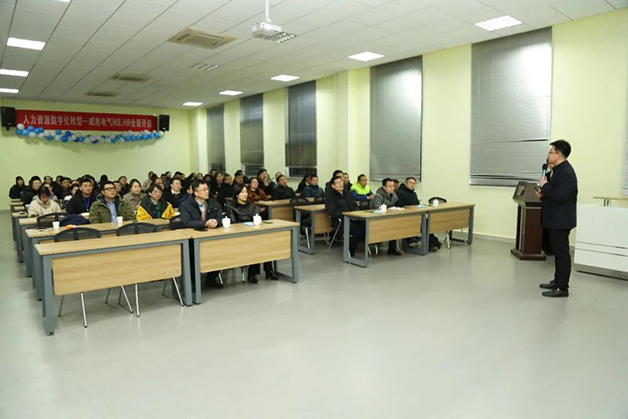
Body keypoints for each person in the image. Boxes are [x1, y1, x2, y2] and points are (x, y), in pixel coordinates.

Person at [536, 140, 578, 298]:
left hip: (561, 220)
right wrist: (543, 194)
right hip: (555, 219)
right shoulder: (558, 170)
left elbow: (560, 196)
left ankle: (562, 287)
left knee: (562, 254)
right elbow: (554, 193)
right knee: (558, 253)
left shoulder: (566, 172)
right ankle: (557, 281)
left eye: (550, 152)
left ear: (558, 155)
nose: (548, 155)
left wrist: (545, 186)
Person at [227, 184, 278, 282]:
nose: (245, 194)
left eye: (246, 192)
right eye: (242, 192)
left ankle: (269, 271)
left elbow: (255, 217)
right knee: (255, 245)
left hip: (252, 232)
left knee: (265, 244)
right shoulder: (231, 206)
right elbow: (233, 222)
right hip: (238, 235)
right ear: (237, 194)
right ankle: (252, 273)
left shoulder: (251, 205)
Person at [179, 180, 223, 288]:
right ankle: (193, 282)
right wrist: (205, 224)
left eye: (207, 189)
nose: (207, 192)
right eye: (204, 190)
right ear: (196, 192)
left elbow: (220, 217)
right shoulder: (186, 205)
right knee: (192, 255)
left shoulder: (213, 202)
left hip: (211, 237)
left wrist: (217, 222)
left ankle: (211, 278)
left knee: (219, 250)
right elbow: (187, 222)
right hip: (193, 239)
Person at [325, 176, 364, 257]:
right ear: (333, 186)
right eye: (338, 183)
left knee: (365, 225)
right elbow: (333, 212)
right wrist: (347, 215)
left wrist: (357, 213)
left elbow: (354, 205)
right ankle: (350, 251)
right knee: (356, 230)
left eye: (341, 182)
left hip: (353, 218)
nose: (341, 184)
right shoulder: (330, 197)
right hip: (341, 220)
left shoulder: (347, 194)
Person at [370, 178, 402, 256]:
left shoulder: (394, 195)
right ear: (384, 187)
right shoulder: (378, 196)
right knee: (393, 225)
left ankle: (392, 248)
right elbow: (377, 208)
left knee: (396, 225)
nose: (392, 188)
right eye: (389, 186)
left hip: (389, 218)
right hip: (376, 219)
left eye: (393, 186)